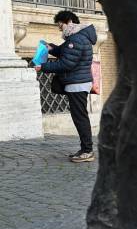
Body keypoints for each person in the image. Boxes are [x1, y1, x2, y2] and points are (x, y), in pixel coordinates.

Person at [35, 10, 96, 162]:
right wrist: (51, 48)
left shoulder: (76, 39)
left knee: (80, 117)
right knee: (80, 116)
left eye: (60, 25)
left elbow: (66, 63)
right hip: (78, 83)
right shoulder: (76, 37)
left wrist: (43, 67)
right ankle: (85, 149)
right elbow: (64, 52)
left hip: (77, 84)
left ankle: (87, 151)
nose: (59, 28)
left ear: (68, 22)